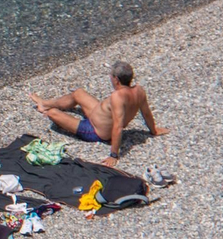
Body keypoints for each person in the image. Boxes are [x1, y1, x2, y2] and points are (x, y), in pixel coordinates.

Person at [29, 61, 169, 167]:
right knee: (78, 93)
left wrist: (114, 155)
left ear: (116, 80)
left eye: (111, 76)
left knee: (53, 114)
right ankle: (45, 103)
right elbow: (146, 113)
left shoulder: (118, 97)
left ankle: (47, 108)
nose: (110, 78)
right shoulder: (139, 90)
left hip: (94, 130)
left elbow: (118, 126)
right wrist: (154, 130)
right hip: (99, 114)